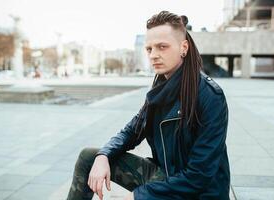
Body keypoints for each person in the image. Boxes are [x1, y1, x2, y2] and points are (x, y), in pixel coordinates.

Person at [66, 11, 230, 200]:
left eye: (162, 47)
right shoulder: (159, 89)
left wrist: (140, 196)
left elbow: (199, 175)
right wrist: (104, 155)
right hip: (165, 177)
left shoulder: (209, 96)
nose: (154, 55)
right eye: (149, 49)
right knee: (89, 157)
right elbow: (131, 131)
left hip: (198, 192)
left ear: (183, 47)